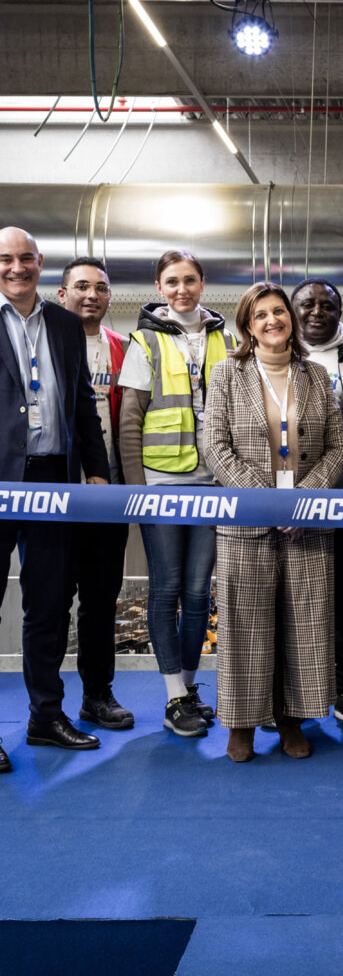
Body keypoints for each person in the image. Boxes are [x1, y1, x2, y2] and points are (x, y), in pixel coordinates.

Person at [205, 282, 343, 762]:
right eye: (261, 314)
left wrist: (303, 502)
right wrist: (268, 503)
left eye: (279, 312)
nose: (273, 320)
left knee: (304, 624)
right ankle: (242, 725)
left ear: (291, 319)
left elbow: (338, 447)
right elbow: (216, 446)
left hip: (308, 521)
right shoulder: (227, 373)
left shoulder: (316, 375)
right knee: (245, 625)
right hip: (248, 520)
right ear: (248, 325)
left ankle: (292, 721)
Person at [0, 227, 109, 773]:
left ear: (40, 263)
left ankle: (45, 717)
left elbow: (83, 403)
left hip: (53, 480)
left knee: (47, 606)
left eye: (26, 258)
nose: (16, 268)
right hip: (0, 481)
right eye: (5, 259)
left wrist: (98, 471)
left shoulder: (65, 324)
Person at [118, 249, 236, 739]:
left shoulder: (227, 338)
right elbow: (129, 421)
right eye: (172, 282)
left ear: (202, 283)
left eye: (189, 280)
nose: (181, 289)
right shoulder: (145, 340)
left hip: (214, 481)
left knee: (199, 591)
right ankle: (172, 696)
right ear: (159, 288)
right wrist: (137, 494)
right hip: (161, 483)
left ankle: (188, 689)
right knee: (166, 590)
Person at [291, 278, 343, 730]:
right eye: (308, 304)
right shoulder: (276, 355)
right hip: (289, 500)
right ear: (293, 310)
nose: (317, 311)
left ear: (341, 312)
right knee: (297, 599)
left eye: (328, 305)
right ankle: (293, 694)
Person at [57, 256, 134, 730]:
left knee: (101, 599)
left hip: (110, 491)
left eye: (100, 288)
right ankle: (46, 706)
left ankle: (97, 695)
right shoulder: (47, 343)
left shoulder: (122, 347)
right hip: (58, 492)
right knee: (51, 600)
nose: (92, 295)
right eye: (81, 286)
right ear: (62, 294)